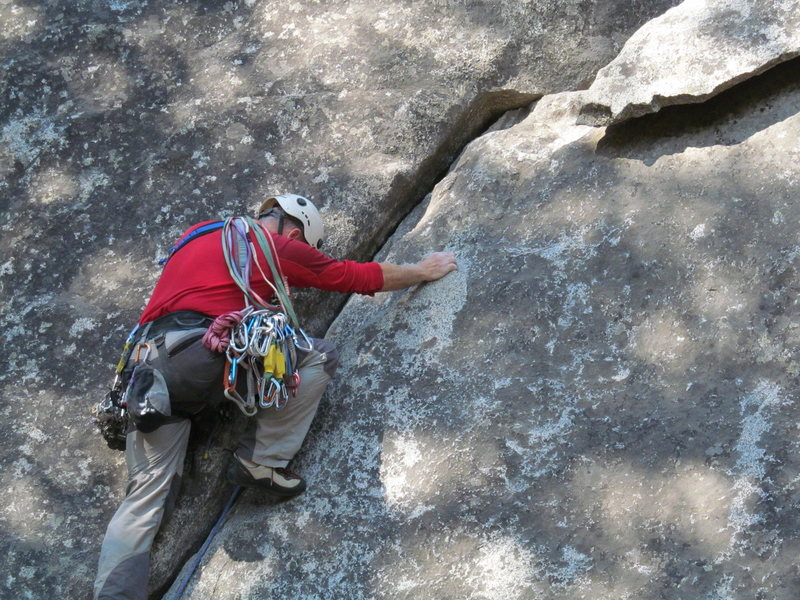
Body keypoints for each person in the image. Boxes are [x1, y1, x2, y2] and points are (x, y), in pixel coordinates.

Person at [94, 194, 457, 599]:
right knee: (318, 355)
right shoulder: (268, 245)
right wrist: (421, 271)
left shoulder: (196, 239)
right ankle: (261, 462)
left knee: (143, 499)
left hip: (145, 374)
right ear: (295, 233)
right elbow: (352, 276)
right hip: (200, 354)